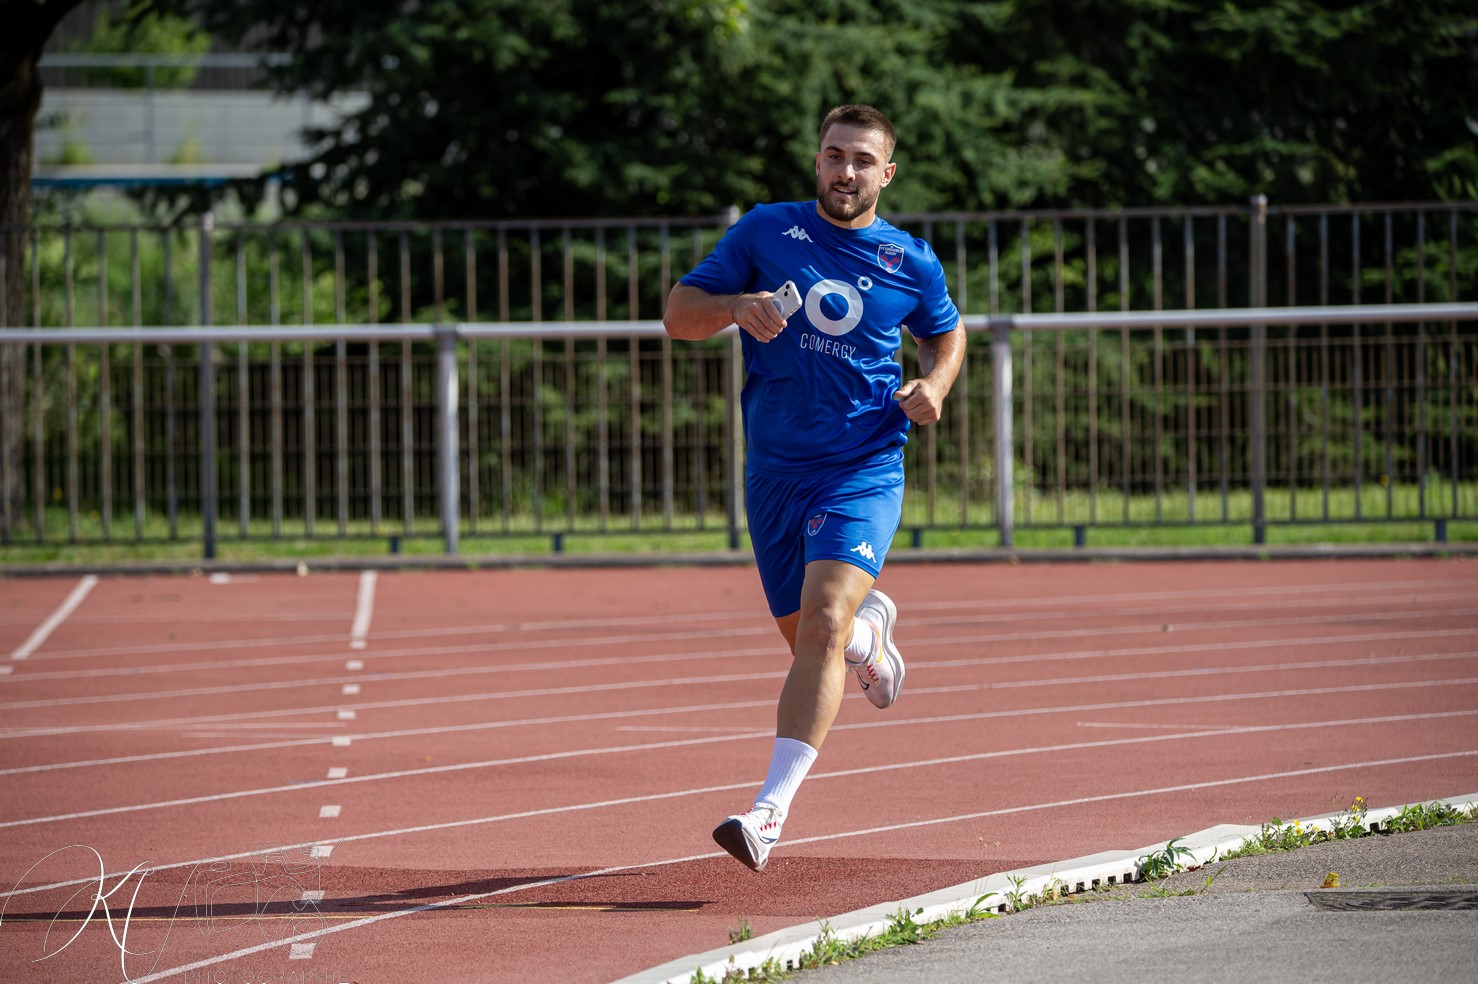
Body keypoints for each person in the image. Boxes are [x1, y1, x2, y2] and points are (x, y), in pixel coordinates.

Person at [663, 104, 966, 872]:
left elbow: (946, 331)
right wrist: (735, 307)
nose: (845, 172)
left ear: (886, 173)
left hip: (862, 464)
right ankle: (873, 641)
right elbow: (677, 314)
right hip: (774, 471)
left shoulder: (911, 260)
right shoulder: (766, 231)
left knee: (824, 621)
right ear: (817, 160)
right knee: (817, 641)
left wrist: (936, 381)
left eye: (862, 160)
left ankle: (767, 814)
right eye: (834, 156)